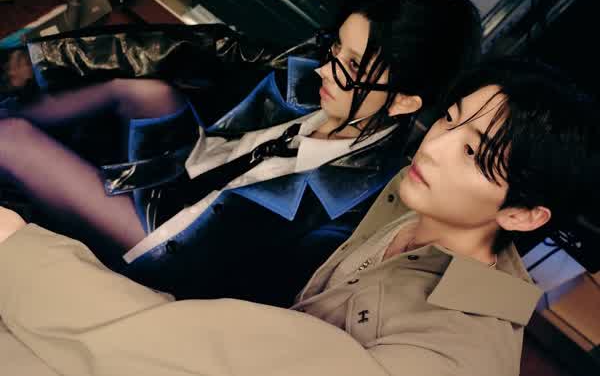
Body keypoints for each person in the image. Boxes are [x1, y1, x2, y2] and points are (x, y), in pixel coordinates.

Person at [0, 58, 597, 376]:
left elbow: (219, 355)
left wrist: (26, 253)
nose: (435, 147)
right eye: (450, 119)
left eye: (474, 155)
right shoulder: (412, 197)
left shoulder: (456, 351)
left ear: (524, 215)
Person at [0, 0, 482, 306]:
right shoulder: (320, 77)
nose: (324, 68)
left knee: (15, 141)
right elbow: (205, 48)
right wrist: (40, 60)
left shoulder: (356, 203)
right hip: (187, 170)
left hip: (171, 244)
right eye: (336, 46)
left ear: (403, 102)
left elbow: (255, 288)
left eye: (352, 66)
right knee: (143, 90)